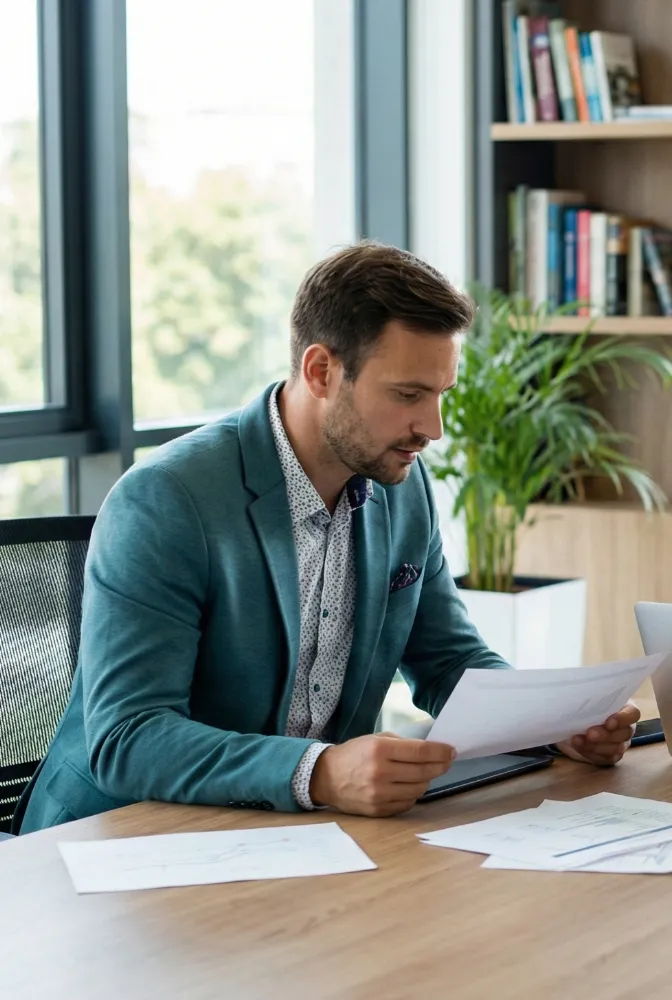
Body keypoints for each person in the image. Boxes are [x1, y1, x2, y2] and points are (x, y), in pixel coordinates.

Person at [18, 243, 637, 833]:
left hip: (292, 839)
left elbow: (448, 660)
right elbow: (128, 738)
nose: (434, 428)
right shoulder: (166, 499)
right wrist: (318, 772)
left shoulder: (401, 485)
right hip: (119, 844)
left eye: (441, 394)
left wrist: (552, 723)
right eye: (408, 395)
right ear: (320, 371)